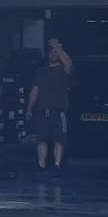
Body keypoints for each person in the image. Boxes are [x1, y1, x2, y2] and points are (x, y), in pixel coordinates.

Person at [25, 39, 74, 172]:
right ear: (47, 55)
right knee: (41, 139)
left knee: (60, 139)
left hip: (60, 110)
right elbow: (35, 90)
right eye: (51, 52)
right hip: (42, 110)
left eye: (55, 52)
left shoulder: (64, 70)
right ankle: (41, 165)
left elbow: (68, 62)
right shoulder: (41, 71)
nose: (53, 54)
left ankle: (57, 165)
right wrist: (29, 107)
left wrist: (57, 47)